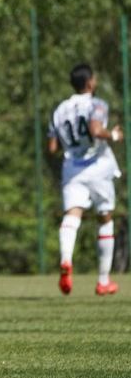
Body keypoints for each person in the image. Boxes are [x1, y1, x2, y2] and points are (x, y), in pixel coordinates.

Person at [49, 64, 124, 296]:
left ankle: (65, 259)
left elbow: (52, 147)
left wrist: (71, 143)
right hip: (98, 166)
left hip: (72, 169)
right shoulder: (97, 104)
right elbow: (95, 129)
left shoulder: (60, 109)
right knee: (105, 217)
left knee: (72, 216)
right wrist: (112, 134)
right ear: (90, 82)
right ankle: (103, 281)